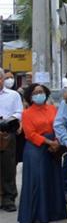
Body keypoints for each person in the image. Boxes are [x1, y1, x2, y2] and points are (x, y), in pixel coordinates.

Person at [17, 84, 67, 223]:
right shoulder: (26, 113)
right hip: (36, 149)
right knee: (37, 181)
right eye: (36, 92)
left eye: (41, 91)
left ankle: (55, 212)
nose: (39, 94)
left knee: (54, 178)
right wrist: (48, 142)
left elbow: (59, 125)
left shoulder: (52, 108)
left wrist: (57, 140)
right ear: (30, 96)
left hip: (54, 148)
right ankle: (38, 214)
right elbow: (30, 134)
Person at [0, 66, 23, 212]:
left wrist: (8, 122)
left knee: (8, 166)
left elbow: (19, 112)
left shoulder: (13, 95)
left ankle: (9, 198)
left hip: (7, 133)